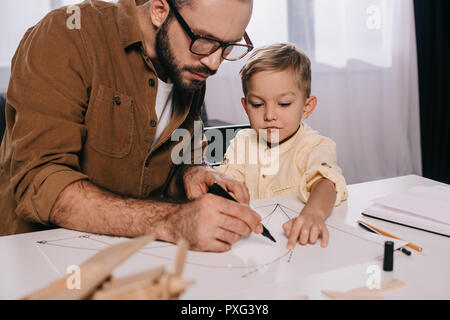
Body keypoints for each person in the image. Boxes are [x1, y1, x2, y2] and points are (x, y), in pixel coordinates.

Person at [0, 0, 265, 253]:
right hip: (37, 256)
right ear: (160, 10)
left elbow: (171, 165)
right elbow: (41, 182)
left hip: (130, 252)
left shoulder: (190, 64)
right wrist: (171, 221)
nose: (214, 63)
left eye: (228, 46)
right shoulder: (68, 35)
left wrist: (190, 175)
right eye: (205, 40)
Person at [215, 43, 348, 249]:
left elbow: (326, 183)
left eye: (284, 104)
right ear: (246, 106)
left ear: (307, 107)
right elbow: (227, 185)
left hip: (297, 243)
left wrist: (313, 214)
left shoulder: (315, 145)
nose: (269, 115)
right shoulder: (242, 142)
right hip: (252, 245)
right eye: (258, 104)